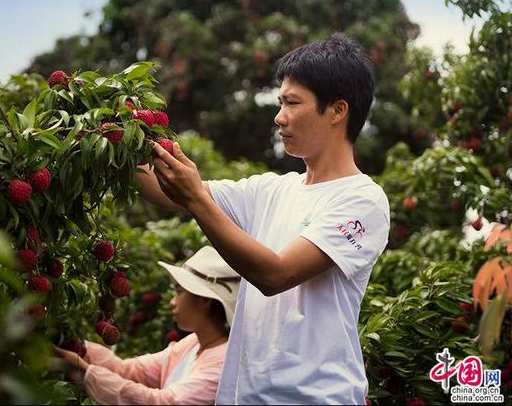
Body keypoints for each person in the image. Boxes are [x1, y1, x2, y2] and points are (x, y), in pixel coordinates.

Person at [136, 32, 391, 404]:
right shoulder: (271, 190)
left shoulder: (362, 200)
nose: (279, 117)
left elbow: (276, 275)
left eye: (292, 103)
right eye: (280, 102)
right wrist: (110, 140)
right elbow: (169, 192)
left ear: (337, 111)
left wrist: (194, 197)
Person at [54, 245, 240, 405]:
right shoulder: (193, 344)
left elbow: (163, 403)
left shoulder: (223, 364)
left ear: (204, 302)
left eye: (179, 291)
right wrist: (80, 348)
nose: (172, 302)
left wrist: (86, 371)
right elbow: (131, 371)